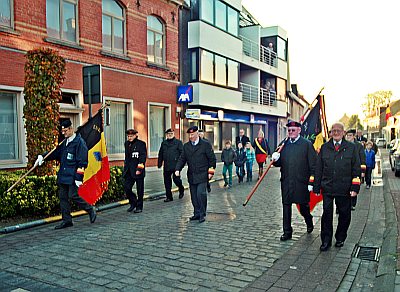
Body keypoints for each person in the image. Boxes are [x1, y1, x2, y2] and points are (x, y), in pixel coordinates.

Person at [35, 119, 96, 229]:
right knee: (63, 198)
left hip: (73, 176)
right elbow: (55, 153)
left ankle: (90, 209)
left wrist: (79, 178)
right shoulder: (64, 142)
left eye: (65, 131)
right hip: (63, 175)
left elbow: (82, 162)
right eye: (62, 131)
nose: (63, 133)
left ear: (71, 129)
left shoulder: (79, 143)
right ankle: (67, 220)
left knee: (73, 196)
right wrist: (43, 157)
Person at [314, 122, 361, 251]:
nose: (335, 133)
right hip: (328, 187)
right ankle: (326, 241)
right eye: (333, 130)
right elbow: (319, 168)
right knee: (327, 215)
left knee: (344, 215)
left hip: (344, 188)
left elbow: (356, 169)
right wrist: (316, 187)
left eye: (338, 130)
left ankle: (340, 238)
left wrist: (355, 188)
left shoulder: (351, 148)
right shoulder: (324, 148)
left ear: (343, 133)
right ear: (330, 133)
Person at [272, 121, 317, 241]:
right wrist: (275, 159)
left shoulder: (306, 144)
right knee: (286, 206)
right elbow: (278, 163)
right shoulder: (284, 144)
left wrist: (311, 182)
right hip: (286, 181)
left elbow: (313, 165)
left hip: (301, 182)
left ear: (299, 130)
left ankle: (309, 220)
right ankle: (287, 232)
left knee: (303, 207)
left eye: (293, 130)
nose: (290, 132)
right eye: (289, 130)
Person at [175, 126, 216, 223]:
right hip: (192, 175)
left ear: (197, 134)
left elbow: (212, 159)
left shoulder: (205, 145)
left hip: (202, 174)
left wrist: (210, 172)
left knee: (200, 194)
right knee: (193, 196)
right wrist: (177, 169)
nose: (190, 136)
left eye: (192, 134)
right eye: (189, 135)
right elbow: (182, 159)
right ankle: (196, 213)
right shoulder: (186, 146)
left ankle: (202, 214)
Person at [157, 128, 185, 202]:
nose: (169, 135)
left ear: (173, 134)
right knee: (167, 182)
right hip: (167, 165)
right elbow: (161, 153)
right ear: (166, 135)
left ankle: (181, 188)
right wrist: (159, 163)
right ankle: (169, 197)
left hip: (176, 165)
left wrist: (180, 165)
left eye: (171, 134)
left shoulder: (178, 142)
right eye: (168, 134)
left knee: (176, 180)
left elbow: (182, 154)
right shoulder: (164, 143)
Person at [123, 129, 147, 213]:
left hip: (138, 170)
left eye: (131, 136)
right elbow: (127, 157)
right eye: (128, 136)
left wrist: (139, 169)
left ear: (135, 135)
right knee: (127, 188)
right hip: (129, 171)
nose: (129, 138)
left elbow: (143, 157)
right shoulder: (126, 144)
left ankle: (139, 207)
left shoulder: (141, 144)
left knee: (140, 190)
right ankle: (133, 202)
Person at [345, 129, 366, 211]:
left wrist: (363, 171)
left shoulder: (359, 146)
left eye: (350, 135)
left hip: (356, 170)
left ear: (354, 136)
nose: (348, 137)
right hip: (346, 171)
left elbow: (362, 158)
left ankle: (352, 204)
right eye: (347, 135)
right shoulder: (344, 145)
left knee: (354, 186)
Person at [198, 129, 212, 193]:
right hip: (199, 163)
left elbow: (211, 152)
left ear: (203, 134)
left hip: (206, 162)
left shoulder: (207, 142)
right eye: (199, 134)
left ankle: (208, 185)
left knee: (206, 176)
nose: (200, 135)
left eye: (201, 134)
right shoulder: (195, 142)